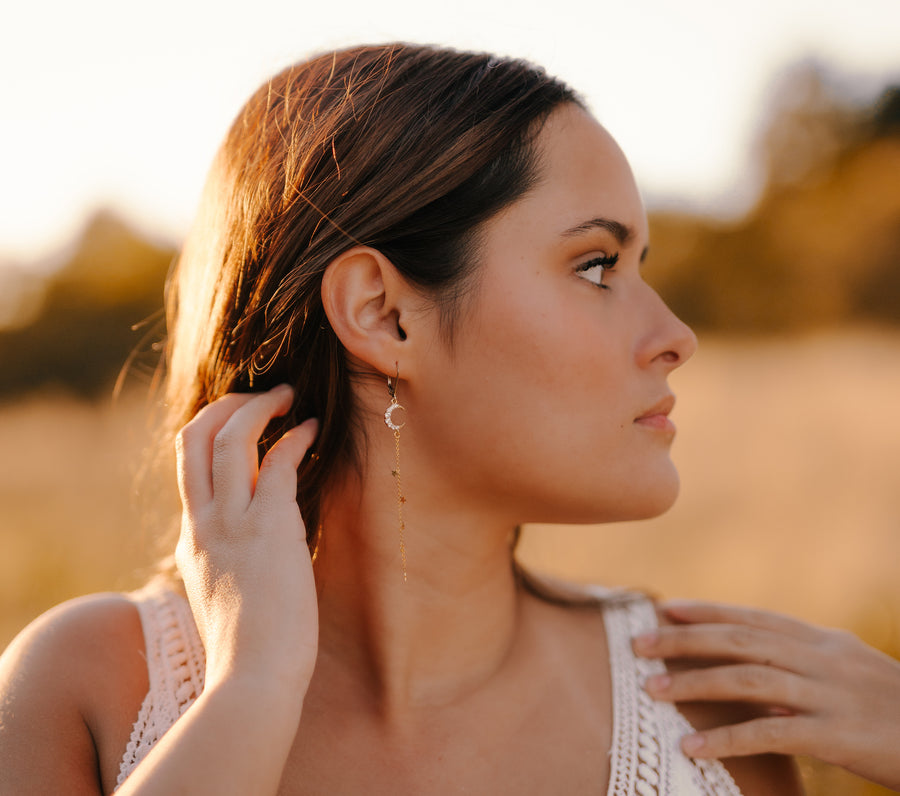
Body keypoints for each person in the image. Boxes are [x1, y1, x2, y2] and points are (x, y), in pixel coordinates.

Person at [0, 42, 897, 795]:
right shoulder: (95, 687)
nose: (675, 337)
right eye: (595, 265)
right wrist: (252, 690)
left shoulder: (707, 708)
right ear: (385, 314)